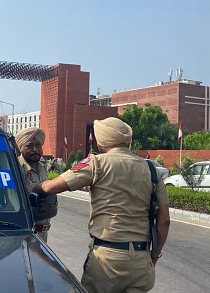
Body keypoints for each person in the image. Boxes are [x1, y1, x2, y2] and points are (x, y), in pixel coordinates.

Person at [32, 117, 171, 293]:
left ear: (102, 140)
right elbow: (164, 221)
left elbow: (51, 187)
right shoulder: (151, 169)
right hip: (141, 260)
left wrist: (33, 186)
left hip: (108, 260)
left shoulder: (96, 163)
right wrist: (154, 255)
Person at [15, 127, 51, 242]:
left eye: (38, 145)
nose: (35, 149)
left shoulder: (42, 166)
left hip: (43, 233)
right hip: (26, 234)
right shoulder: (17, 167)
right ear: (21, 148)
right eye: (29, 146)